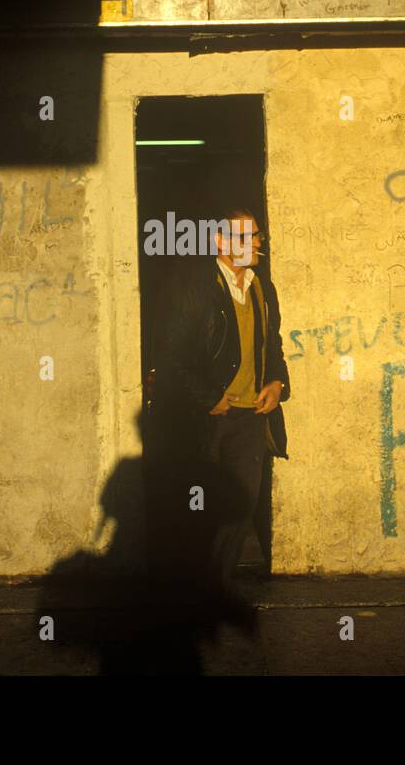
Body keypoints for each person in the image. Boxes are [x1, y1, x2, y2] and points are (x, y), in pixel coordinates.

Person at [152, 204, 291, 598]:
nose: (256, 243)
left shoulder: (263, 287)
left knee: (241, 504)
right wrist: (210, 398)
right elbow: (170, 355)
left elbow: (273, 343)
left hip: (250, 415)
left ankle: (215, 587)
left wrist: (277, 382)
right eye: (246, 237)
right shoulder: (195, 287)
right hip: (205, 415)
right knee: (198, 506)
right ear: (220, 241)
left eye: (257, 235)